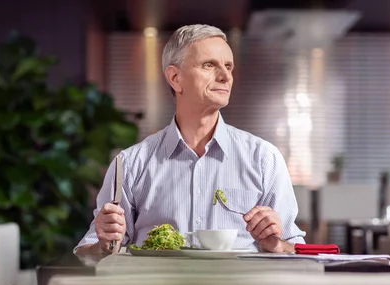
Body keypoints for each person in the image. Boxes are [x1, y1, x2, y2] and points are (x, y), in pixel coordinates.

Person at [74, 24, 305, 255]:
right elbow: (89, 254)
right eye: (209, 65)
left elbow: (296, 250)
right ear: (175, 78)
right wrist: (103, 245)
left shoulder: (264, 158)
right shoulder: (130, 163)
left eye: (228, 66)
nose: (225, 76)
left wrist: (277, 244)